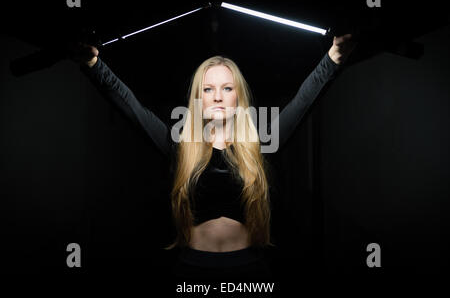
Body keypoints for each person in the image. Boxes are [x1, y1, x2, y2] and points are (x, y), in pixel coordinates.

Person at [69, 34, 356, 281]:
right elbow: (130, 106)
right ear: (199, 98)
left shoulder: (259, 145)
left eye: (227, 88)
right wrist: (94, 65)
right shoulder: (178, 146)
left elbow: (303, 100)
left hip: (250, 269)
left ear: (237, 98)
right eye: (208, 89)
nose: (217, 96)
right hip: (191, 269)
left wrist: (333, 57)